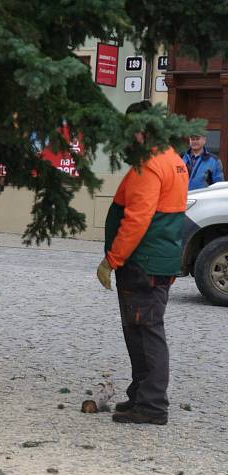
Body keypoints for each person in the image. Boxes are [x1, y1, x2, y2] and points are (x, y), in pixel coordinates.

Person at [96, 101, 188, 426]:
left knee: (146, 331)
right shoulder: (173, 160)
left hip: (142, 262)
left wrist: (111, 260)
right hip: (158, 260)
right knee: (139, 329)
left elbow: (137, 219)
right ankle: (141, 395)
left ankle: (151, 404)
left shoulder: (148, 164)